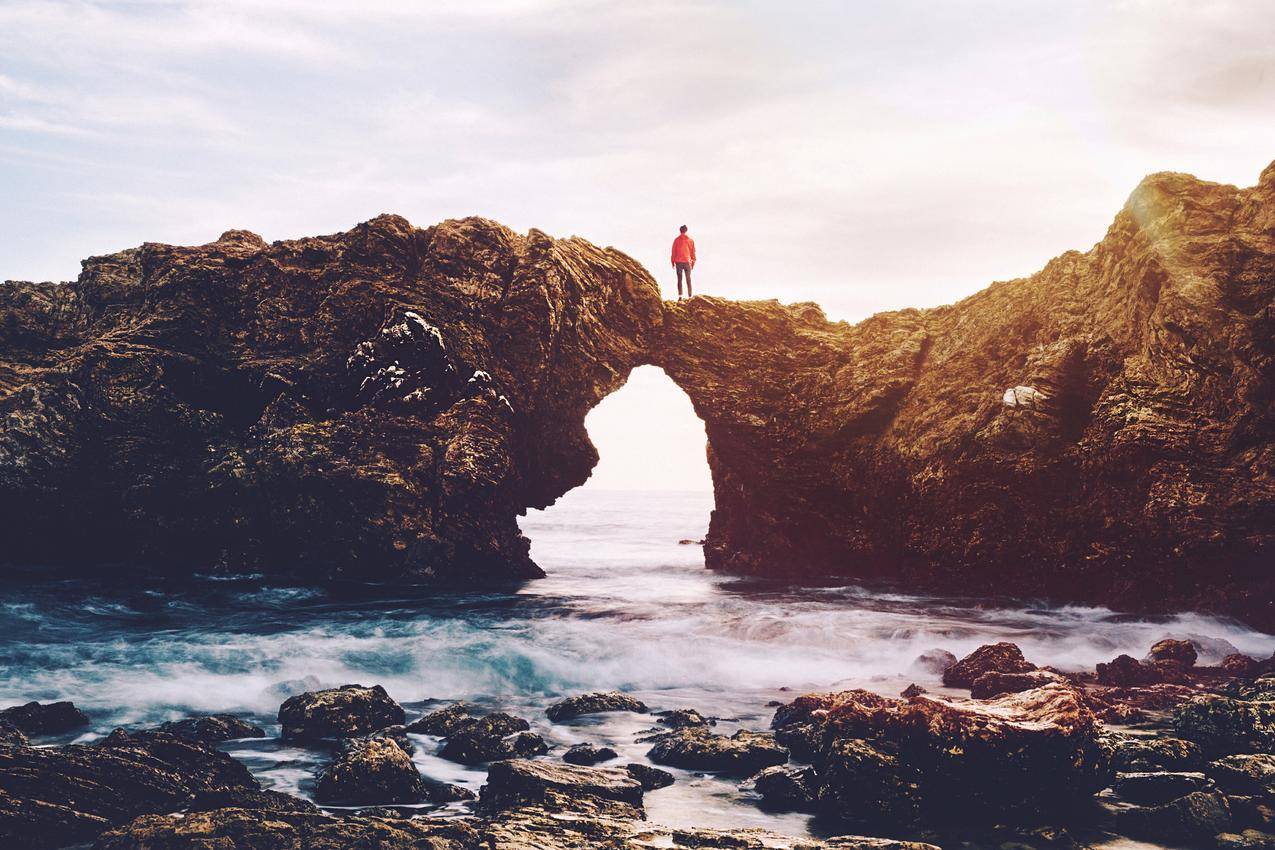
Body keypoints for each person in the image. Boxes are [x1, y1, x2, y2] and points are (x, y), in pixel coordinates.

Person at [670, 225, 696, 300]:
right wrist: (693, 262)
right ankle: (690, 296)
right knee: (688, 279)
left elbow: (673, 251)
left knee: (679, 279)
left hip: (678, 262)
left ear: (680, 231)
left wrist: (672, 261)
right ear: (686, 231)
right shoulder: (690, 240)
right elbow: (693, 252)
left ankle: (680, 296)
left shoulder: (676, 240)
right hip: (687, 262)